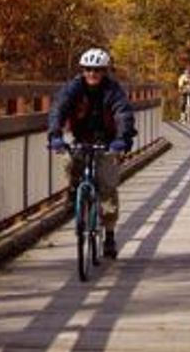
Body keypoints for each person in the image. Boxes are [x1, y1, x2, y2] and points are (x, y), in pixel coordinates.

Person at [47, 47, 136, 258]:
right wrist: (55, 136)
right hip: (81, 139)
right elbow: (58, 109)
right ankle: (72, 192)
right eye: (88, 69)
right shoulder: (73, 88)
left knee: (107, 187)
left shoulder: (113, 90)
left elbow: (123, 114)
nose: (92, 74)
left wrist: (121, 141)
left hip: (108, 141)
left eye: (97, 70)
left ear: (105, 71)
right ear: (82, 70)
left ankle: (110, 236)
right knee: (69, 162)